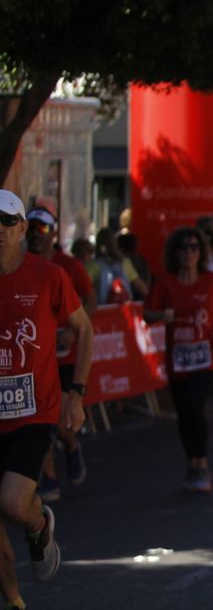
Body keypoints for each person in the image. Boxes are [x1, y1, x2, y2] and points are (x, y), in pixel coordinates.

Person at [0, 189, 91, 610]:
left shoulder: (49, 275)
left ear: (21, 229)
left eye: (6, 221)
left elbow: (84, 328)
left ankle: (39, 524)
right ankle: (14, 607)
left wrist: (76, 392)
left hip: (34, 411)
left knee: (13, 503)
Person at [146, 226, 213, 493]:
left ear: (202, 252)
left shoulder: (211, 280)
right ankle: (192, 462)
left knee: (195, 407)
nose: (189, 253)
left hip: (206, 357)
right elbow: (147, 313)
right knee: (183, 414)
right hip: (178, 359)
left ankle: (202, 464)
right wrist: (162, 317)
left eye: (194, 247)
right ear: (175, 253)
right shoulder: (165, 281)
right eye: (183, 247)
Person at [26, 208, 94, 501]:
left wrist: (74, 331)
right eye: (31, 228)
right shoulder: (16, 266)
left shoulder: (66, 266)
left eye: (42, 229)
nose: (35, 235)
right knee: (38, 416)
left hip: (64, 353)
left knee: (62, 417)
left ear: (54, 233)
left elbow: (90, 300)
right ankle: (49, 475)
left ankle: (71, 445)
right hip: (32, 356)